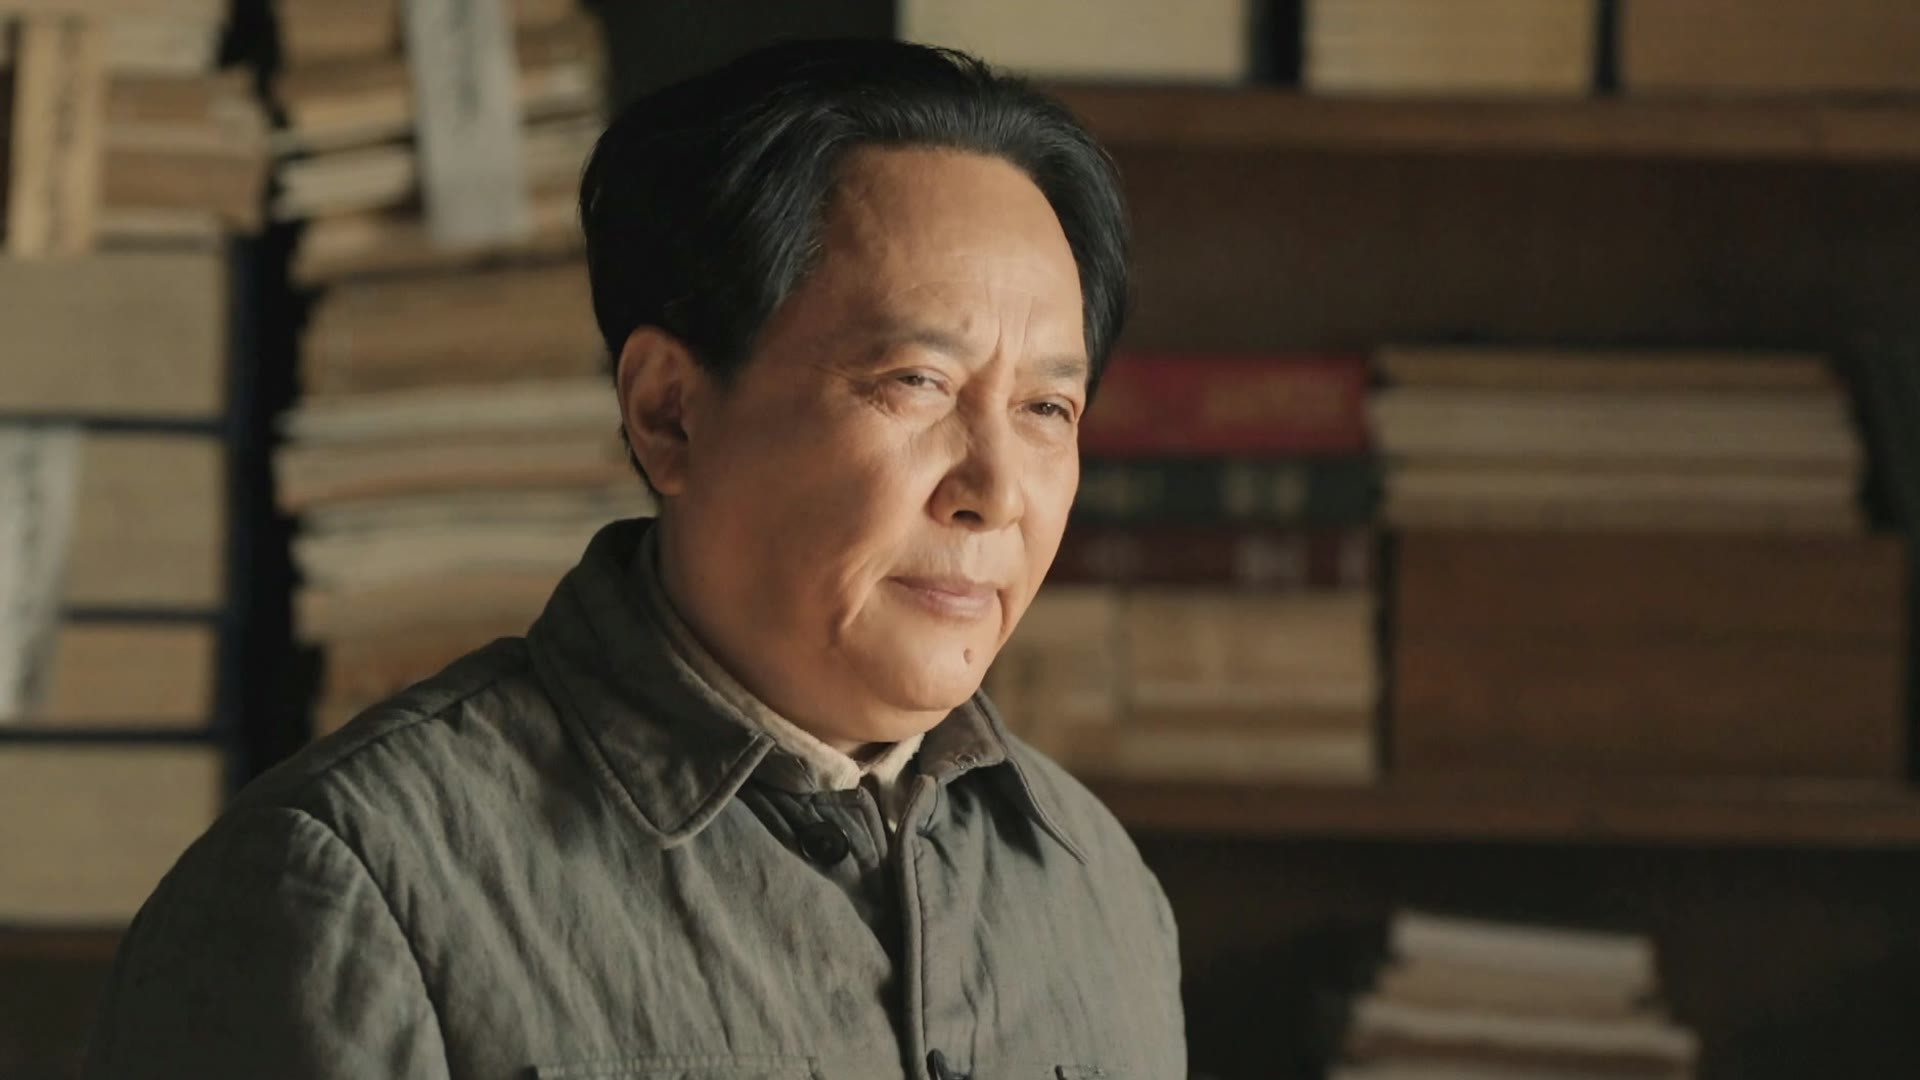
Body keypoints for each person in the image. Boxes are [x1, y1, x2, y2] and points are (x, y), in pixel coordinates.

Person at [84, 37, 1184, 1080]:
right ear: (670, 414)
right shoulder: (353, 885)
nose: (996, 490)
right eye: (916, 383)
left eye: (1047, 408)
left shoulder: (1100, 893)